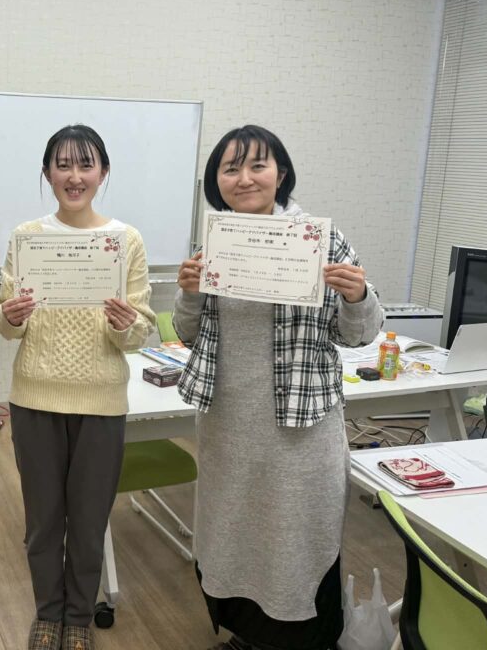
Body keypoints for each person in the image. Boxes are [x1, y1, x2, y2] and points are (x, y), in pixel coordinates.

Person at [173, 125, 384, 650]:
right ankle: (246, 636)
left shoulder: (321, 240)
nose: (244, 178)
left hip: (301, 434)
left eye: (257, 165)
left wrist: (358, 296)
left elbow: (358, 336)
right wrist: (189, 293)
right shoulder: (212, 244)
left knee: (294, 543)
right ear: (216, 181)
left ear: (280, 173)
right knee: (232, 537)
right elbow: (188, 333)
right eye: (230, 168)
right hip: (228, 426)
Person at [0, 125, 156, 650]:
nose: (74, 176)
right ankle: (48, 613)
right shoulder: (27, 237)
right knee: (43, 522)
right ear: (47, 173)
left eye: (86, 165)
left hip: (101, 400)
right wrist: (11, 315)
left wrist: (125, 324)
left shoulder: (125, 241)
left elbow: (141, 329)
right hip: (35, 396)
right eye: (63, 165)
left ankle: (79, 617)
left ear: (103, 172)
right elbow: (4, 322)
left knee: (88, 522)